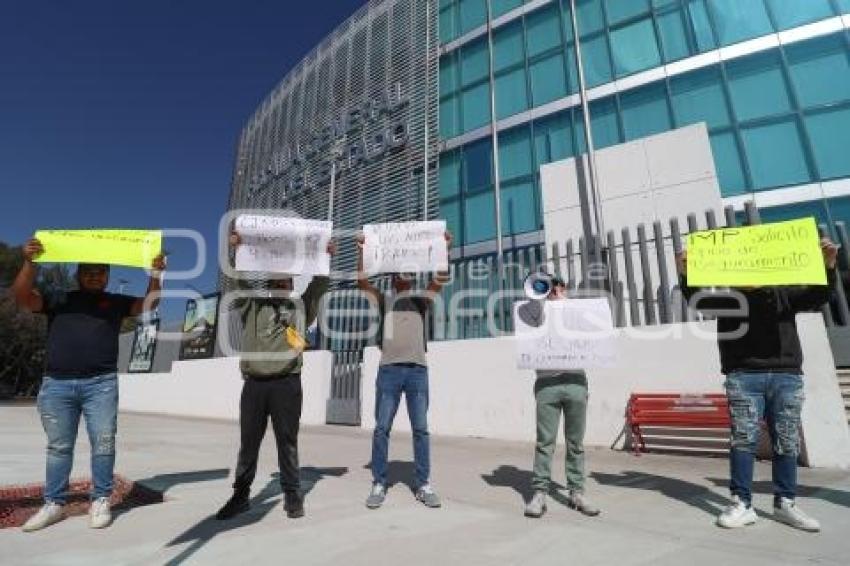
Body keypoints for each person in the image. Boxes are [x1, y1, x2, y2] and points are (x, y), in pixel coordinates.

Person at [677, 236, 839, 532]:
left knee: (787, 440)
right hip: (743, 376)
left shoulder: (784, 293)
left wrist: (828, 265)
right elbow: (696, 299)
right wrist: (685, 272)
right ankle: (742, 503)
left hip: (786, 375)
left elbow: (819, 296)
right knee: (743, 440)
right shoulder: (729, 299)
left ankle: (785, 503)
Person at [12, 237, 165, 532]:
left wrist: (156, 275)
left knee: (104, 445)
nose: (95, 275)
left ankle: (101, 500)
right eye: (88, 270)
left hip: (101, 385)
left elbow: (149, 304)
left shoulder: (116, 302)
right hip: (57, 385)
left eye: (101, 271)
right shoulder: (58, 298)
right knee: (58, 447)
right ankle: (54, 504)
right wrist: (30, 263)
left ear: (108, 275)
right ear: (77, 273)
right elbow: (21, 297)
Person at [215, 230, 335, 521]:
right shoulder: (252, 307)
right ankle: (241, 495)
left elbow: (319, 285)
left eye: (286, 282)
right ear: (268, 286)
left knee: (287, 440)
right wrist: (236, 251)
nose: (282, 286)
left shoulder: (301, 309)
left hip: (287, 385)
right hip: (254, 386)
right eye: (276, 282)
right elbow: (236, 281)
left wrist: (324, 256)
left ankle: (292, 494)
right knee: (248, 444)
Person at [357, 230, 451, 510]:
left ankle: (423, 484)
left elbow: (440, 280)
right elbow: (362, 283)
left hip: (417, 372)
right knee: (382, 428)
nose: (408, 275)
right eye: (402, 272)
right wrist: (363, 253)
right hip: (389, 371)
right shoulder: (384, 300)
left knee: (421, 429)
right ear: (394, 277)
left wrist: (444, 248)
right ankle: (378, 482)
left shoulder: (421, 301)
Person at [520, 276, 601, 519]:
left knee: (575, 442)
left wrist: (567, 305)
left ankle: (577, 491)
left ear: (566, 289)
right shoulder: (537, 311)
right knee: (545, 441)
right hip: (547, 384)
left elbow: (594, 336)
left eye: (559, 286)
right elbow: (528, 327)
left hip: (576, 381)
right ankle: (540, 493)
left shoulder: (578, 312)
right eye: (550, 287)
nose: (555, 290)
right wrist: (541, 300)